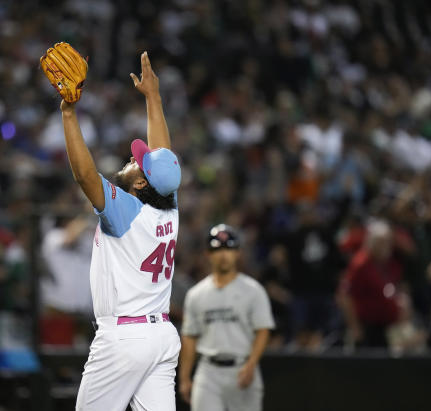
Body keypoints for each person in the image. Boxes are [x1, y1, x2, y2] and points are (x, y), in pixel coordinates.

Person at [61, 52, 182, 411]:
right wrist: (153, 98)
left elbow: (85, 176)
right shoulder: (169, 205)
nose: (132, 159)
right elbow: (164, 155)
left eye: (136, 162)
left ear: (142, 180)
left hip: (124, 338)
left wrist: (68, 112)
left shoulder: (125, 210)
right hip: (161, 336)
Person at [179, 224, 275, 411]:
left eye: (228, 249)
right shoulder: (196, 294)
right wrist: (184, 378)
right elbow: (189, 336)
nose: (223, 255)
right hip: (208, 371)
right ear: (208, 254)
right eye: (217, 249)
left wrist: (252, 363)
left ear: (238, 253)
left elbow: (263, 331)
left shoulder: (253, 290)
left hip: (242, 367)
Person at [337, 218, 403, 348]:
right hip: (366, 328)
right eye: (381, 242)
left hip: (385, 328)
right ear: (370, 242)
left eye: (388, 241)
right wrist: (355, 328)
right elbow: (344, 296)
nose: (386, 246)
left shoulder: (388, 263)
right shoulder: (360, 264)